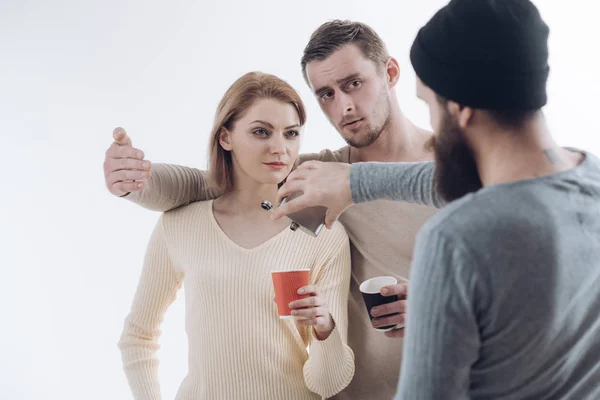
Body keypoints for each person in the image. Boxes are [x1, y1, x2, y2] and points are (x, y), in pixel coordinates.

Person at [269, 0, 600, 398]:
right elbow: (466, 183)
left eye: (429, 104)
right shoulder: (591, 178)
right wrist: (357, 181)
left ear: (459, 107)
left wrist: (437, 311)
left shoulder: (454, 239)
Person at [104, 21, 436, 399]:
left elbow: (513, 291)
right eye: (325, 94)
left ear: (390, 72)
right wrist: (135, 180)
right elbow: (210, 185)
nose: (343, 106)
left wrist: (439, 309)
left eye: (354, 83)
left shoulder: (459, 172)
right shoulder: (316, 179)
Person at [117, 71, 354, 400]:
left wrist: (325, 328)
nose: (279, 148)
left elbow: (327, 384)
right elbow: (138, 335)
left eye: (290, 134)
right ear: (225, 138)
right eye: (261, 132)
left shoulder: (324, 235)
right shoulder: (181, 224)